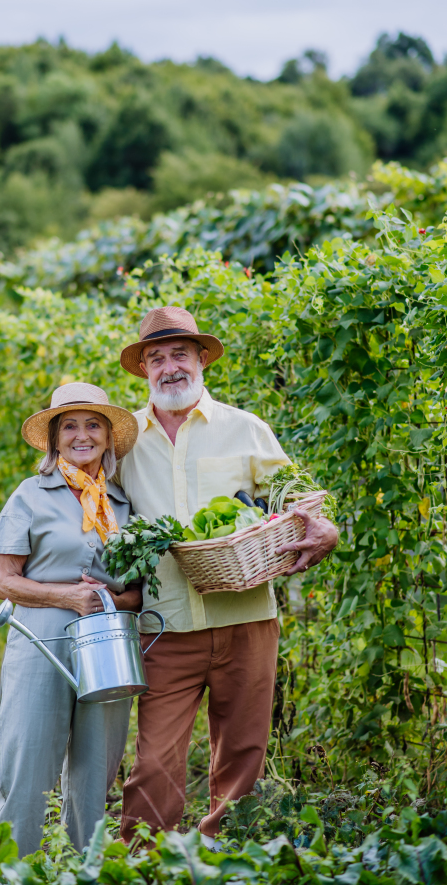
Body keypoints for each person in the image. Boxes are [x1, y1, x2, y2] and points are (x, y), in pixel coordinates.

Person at [116, 306, 338, 846]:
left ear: (201, 361)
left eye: (180, 355)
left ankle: (225, 862)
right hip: (164, 627)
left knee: (242, 755)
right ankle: (142, 865)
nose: (170, 367)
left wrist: (326, 529)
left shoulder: (245, 428)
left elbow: (291, 497)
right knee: (154, 763)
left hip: (247, 621)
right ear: (144, 369)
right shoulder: (123, 442)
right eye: (157, 357)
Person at [0, 382, 142, 856]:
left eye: (92, 425)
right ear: (54, 439)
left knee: (96, 771)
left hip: (108, 646)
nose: (82, 435)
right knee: (28, 766)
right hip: (42, 643)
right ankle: (12, 875)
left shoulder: (122, 506)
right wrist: (69, 597)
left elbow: (136, 592)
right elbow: (5, 583)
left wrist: (114, 599)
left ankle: (86, 873)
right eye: (69, 426)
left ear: (107, 437)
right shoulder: (31, 495)